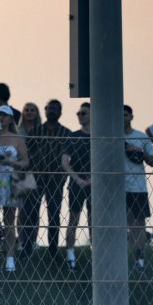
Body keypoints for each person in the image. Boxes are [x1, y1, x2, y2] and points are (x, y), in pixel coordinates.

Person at [23, 99, 71, 257]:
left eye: (55, 109)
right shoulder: (35, 131)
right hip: (37, 179)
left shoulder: (66, 133)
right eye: (49, 108)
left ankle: (53, 249)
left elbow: (70, 158)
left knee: (54, 214)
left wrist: (63, 177)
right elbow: (27, 154)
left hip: (56, 180)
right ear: (44, 110)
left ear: (60, 112)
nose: (52, 111)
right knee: (30, 213)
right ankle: (27, 247)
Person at [0, 105, 31, 272]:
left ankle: (10, 257)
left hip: (9, 180)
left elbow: (25, 161)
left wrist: (12, 163)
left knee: (9, 220)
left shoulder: (17, 139)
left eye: (4, 115)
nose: (1, 118)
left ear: (11, 118)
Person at [122, 105, 153, 272]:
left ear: (131, 117)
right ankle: (118, 261)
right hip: (116, 187)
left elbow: (152, 161)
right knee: (117, 224)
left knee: (138, 225)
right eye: (119, 115)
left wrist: (139, 152)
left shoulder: (141, 137)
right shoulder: (111, 137)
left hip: (137, 187)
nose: (122, 118)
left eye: (125, 115)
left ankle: (140, 261)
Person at [61, 102, 93, 269]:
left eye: (84, 113)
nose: (80, 116)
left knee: (95, 219)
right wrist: (77, 178)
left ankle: (96, 251)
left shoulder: (99, 135)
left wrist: (94, 178)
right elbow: (65, 162)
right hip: (77, 183)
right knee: (73, 218)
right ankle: (70, 254)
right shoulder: (73, 137)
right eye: (79, 113)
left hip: (97, 182)